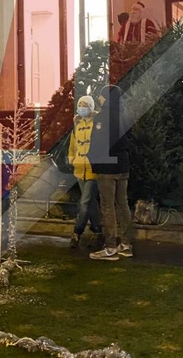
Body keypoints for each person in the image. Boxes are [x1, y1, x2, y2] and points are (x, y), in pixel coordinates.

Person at [88, 84, 133, 261]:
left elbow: (98, 143)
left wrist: (94, 161)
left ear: (106, 98)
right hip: (123, 166)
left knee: (108, 206)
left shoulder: (102, 117)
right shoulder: (124, 115)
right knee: (123, 204)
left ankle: (110, 247)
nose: (99, 99)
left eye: (101, 96)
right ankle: (126, 244)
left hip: (107, 167)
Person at [68, 95, 102, 249]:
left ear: (90, 107)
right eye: (80, 105)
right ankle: (98, 231)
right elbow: (72, 145)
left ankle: (77, 232)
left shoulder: (97, 123)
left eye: (84, 105)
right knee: (91, 202)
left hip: (92, 169)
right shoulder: (77, 124)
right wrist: (72, 159)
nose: (81, 108)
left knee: (84, 202)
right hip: (79, 168)